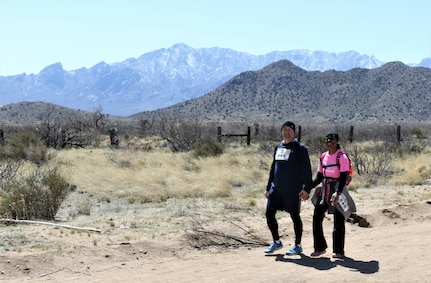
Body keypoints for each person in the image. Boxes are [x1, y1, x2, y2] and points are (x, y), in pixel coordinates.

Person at [264, 121, 313, 255]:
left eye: (289, 130)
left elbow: (307, 170)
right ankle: (276, 242)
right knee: (269, 213)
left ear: (294, 132)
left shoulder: (300, 148)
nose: (286, 132)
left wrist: (307, 189)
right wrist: (268, 187)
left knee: (295, 216)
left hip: (292, 189)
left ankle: (297, 245)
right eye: (284, 130)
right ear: (281, 132)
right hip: (276, 189)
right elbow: (273, 168)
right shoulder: (278, 147)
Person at [310, 132, 350, 258]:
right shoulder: (323, 157)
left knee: (338, 221)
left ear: (337, 141)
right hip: (325, 190)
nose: (329, 141)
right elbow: (319, 177)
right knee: (317, 218)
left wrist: (338, 193)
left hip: (338, 190)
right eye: (327, 139)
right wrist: (307, 188)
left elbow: (343, 177)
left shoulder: (342, 157)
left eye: (332, 139)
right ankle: (320, 247)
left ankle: (338, 251)